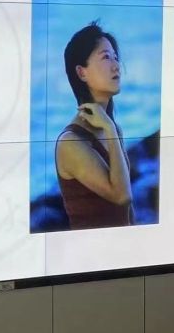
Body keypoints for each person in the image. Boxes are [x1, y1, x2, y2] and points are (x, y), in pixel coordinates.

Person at [56, 22, 135, 230]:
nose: (116, 66)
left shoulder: (113, 129)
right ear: (82, 73)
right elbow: (122, 196)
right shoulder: (71, 142)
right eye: (106, 57)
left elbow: (128, 212)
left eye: (115, 57)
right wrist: (109, 128)